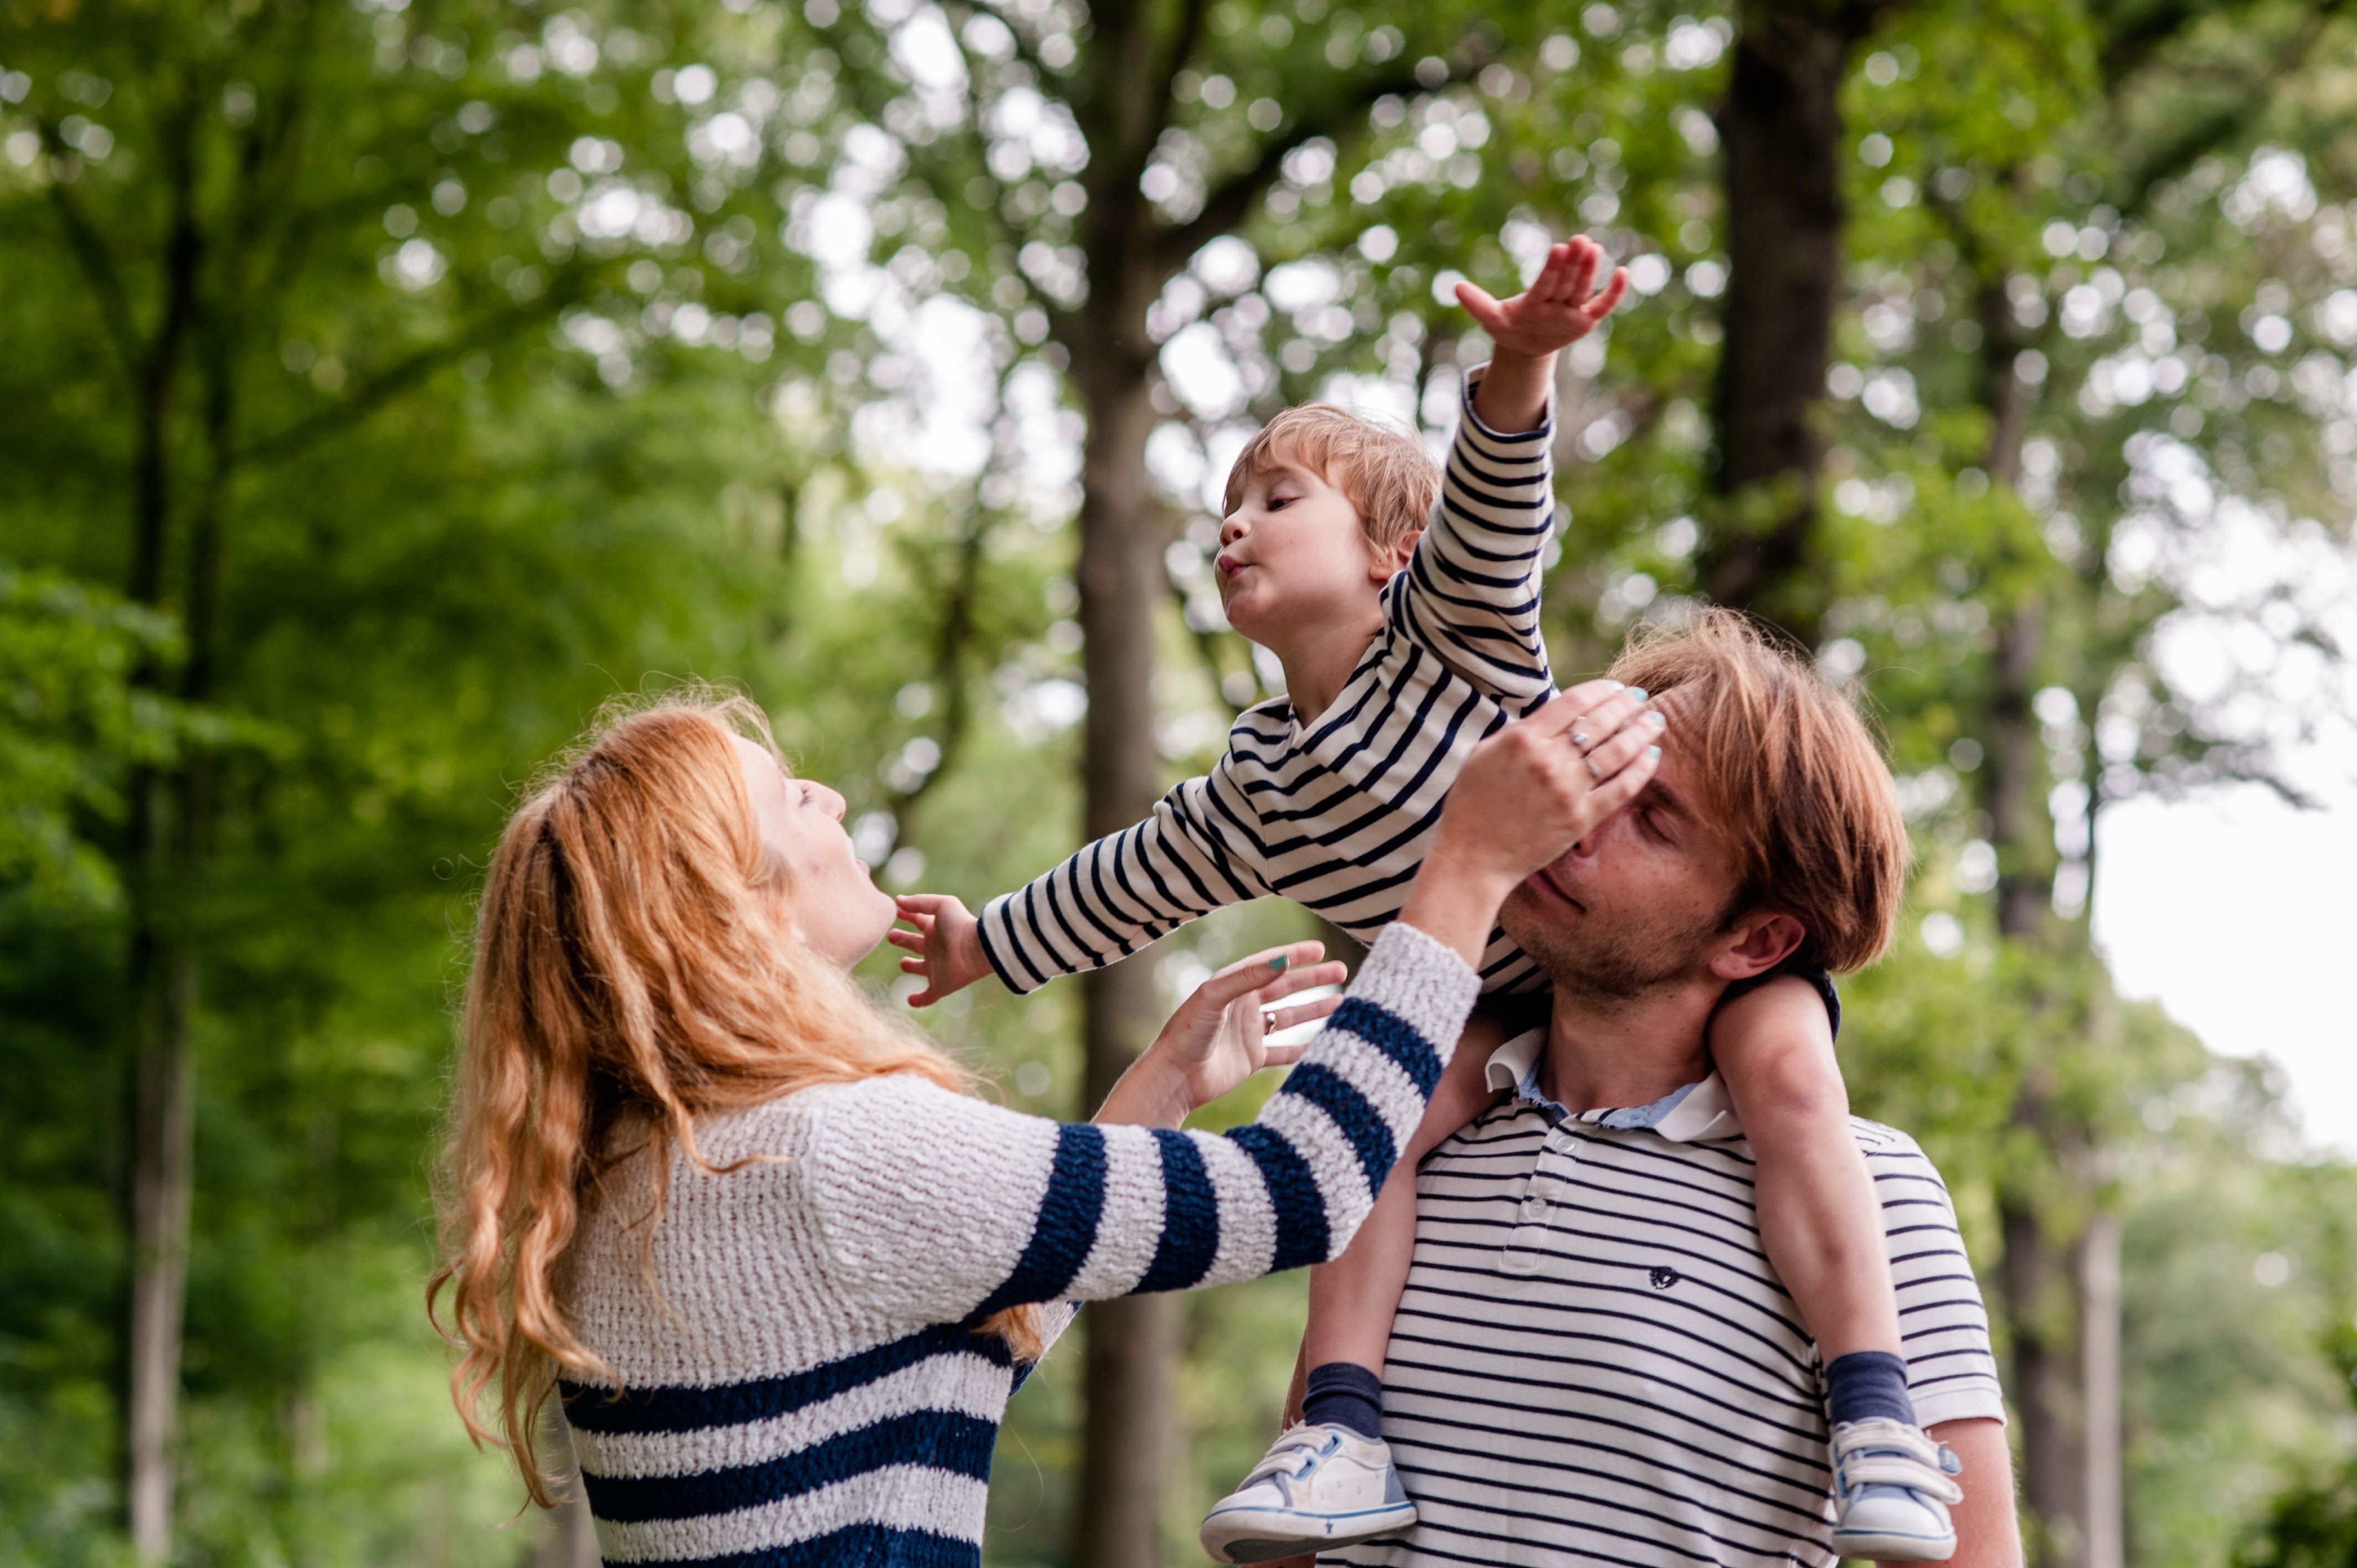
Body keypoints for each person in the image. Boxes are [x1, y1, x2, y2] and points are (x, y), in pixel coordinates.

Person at [895, 238, 1936, 1557]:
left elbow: (1494, 511)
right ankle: (1338, 1425)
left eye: (1278, 498)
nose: (1235, 521)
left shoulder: (1455, 639)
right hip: (1481, 1014)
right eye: (1230, 503)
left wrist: (1521, 361)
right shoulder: (1264, 778)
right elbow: (1139, 877)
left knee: (1784, 1069)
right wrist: (991, 940)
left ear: (1392, 550)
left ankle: (1876, 1412)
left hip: (1658, 987)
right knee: (1357, 1124)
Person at [427, 680, 1660, 1568]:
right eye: (785, 797)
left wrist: (1161, 1091)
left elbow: (963, 1331)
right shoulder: (827, 1153)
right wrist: (1465, 868)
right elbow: (1301, 1191)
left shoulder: (652, 1174)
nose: (829, 792)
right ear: (730, 905)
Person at [1222, 611, 2020, 1568]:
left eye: (1653, 818)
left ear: (1756, 942)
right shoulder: (1405, 1141)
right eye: (1599, 777)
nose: (1576, 819)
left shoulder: (1873, 1192)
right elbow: (1294, 1543)